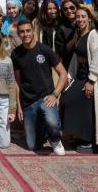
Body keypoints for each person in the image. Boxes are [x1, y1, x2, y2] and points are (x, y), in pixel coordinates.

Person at [12, 20, 67, 155]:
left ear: (33, 31)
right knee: (32, 146)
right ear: (19, 34)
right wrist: (19, 107)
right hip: (28, 102)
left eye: (28, 30)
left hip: (46, 99)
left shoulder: (45, 49)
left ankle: (55, 139)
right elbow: (17, 83)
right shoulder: (16, 54)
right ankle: (42, 130)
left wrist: (55, 94)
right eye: (22, 32)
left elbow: (63, 73)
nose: (26, 34)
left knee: (53, 124)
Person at [62, 7, 98, 154]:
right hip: (80, 77)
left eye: (83, 16)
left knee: (84, 98)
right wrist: (69, 77)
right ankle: (78, 135)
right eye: (77, 17)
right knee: (68, 97)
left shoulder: (93, 35)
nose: (80, 19)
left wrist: (91, 81)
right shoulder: (80, 35)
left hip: (92, 78)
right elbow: (75, 60)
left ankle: (88, 140)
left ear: (89, 18)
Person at [55, 0, 79, 69]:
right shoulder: (61, 28)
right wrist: (74, 39)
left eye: (72, 8)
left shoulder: (86, 23)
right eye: (65, 9)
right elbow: (61, 52)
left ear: (77, 8)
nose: (69, 11)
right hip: (70, 65)